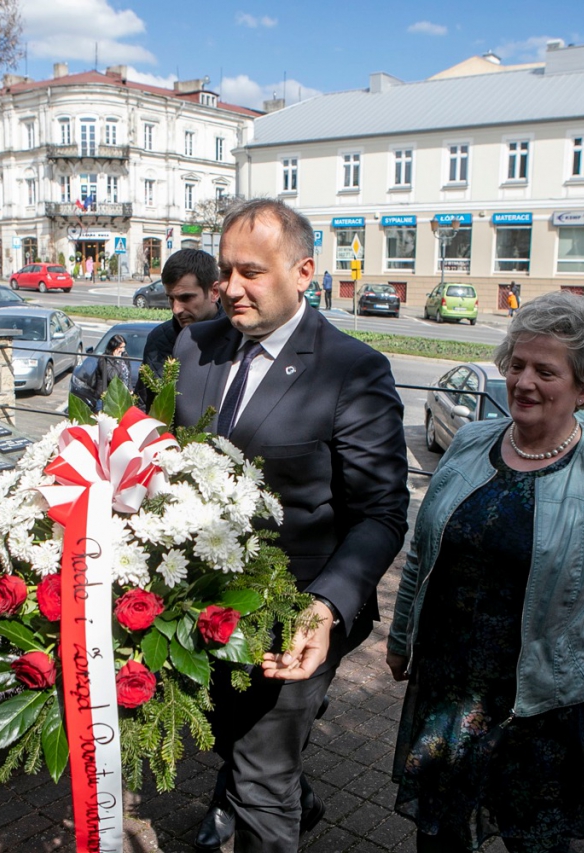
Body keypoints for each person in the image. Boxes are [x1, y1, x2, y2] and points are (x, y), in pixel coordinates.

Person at [386, 290, 584, 853]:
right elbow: (423, 553)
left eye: (546, 371)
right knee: (441, 835)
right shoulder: (469, 444)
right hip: (451, 688)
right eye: (516, 365)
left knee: (537, 843)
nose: (523, 382)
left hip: (543, 703)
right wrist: (400, 638)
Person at [174, 198, 410, 852]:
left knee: (260, 773)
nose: (231, 288)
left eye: (252, 271)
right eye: (225, 271)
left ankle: (277, 808)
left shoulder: (352, 371)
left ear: (304, 271)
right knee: (227, 736)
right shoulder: (193, 346)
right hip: (193, 603)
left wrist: (327, 603)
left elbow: (383, 511)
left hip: (296, 609)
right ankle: (294, 795)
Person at [134, 248, 222, 408]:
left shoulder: (238, 337)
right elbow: (143, 406)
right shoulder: (158, 340)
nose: (176, 309)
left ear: (214, 292)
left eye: (186, 297)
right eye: (170, 298)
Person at [92, 334, 130, 407]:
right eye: (120, 347)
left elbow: (128, 373)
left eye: (124, 347)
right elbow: (112, 377)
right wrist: (117, 360)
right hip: (107, 399)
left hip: (121, 397)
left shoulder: (124, 356)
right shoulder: (104, 359)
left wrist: (130, 388)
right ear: (114, 347)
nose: (123, 350)